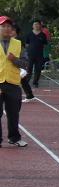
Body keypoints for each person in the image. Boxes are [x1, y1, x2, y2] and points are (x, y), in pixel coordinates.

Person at [0, 16, 27, 147]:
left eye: (9, 26)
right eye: (3, 26)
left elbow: (26, 64)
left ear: (12, 29)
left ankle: (14, 138)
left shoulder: (18, 44)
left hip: (13, 83)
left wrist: (14, 59)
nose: (6, 28)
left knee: (13, 113)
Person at [24, 21, 48, 89]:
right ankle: (26, 82)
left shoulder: (43, 35)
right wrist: (27, 52)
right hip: (30, 55)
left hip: (39, 55)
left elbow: (45, 44)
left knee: (38, 69)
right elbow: (27, 44)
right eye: (35, 24)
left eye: (37, 24)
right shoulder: (29, 34)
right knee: (29, 69)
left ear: (40, 26)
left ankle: (35, 83)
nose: (36, 26)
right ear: (32, 26)